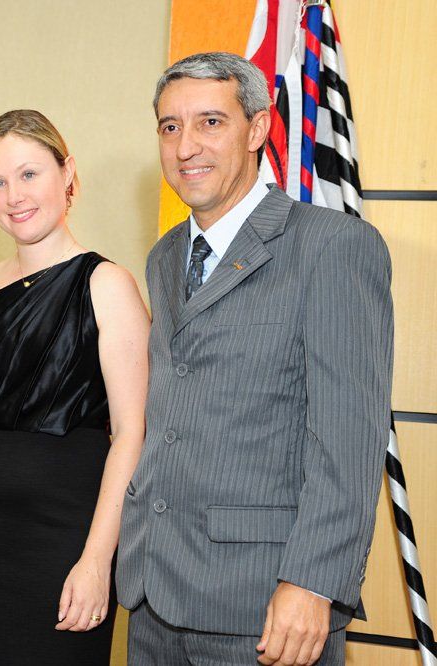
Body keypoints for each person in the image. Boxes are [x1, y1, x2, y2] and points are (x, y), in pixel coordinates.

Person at [116, 52, 394, 666]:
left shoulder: (332, 246)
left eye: (210, 122)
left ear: (258, 128)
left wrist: (313, 582)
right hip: (152, 593)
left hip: (264, 604)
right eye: (169, 126)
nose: (186, 146)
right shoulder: (165, 256)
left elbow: (349, 440)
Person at [0, 109, 150, 664]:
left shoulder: (107, 284)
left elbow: (131, 433)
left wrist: (97, 560)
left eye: (29, 174)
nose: (14, 195)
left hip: (65, 536)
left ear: (68, 173)